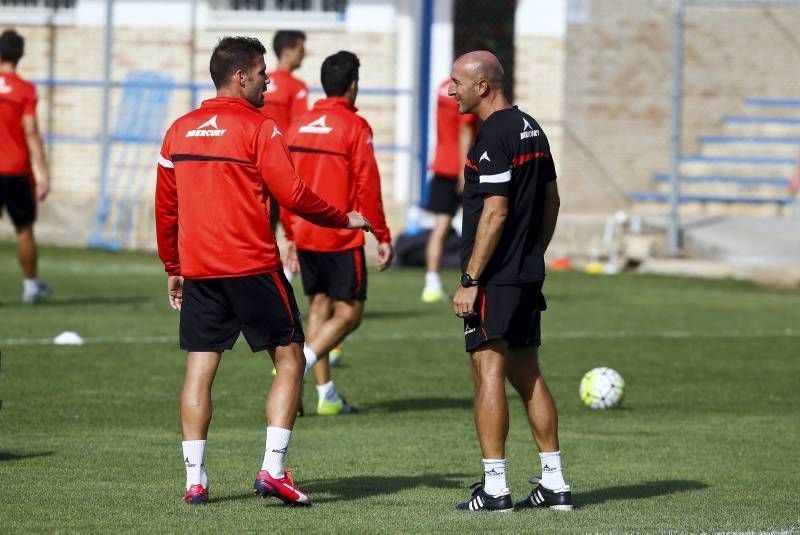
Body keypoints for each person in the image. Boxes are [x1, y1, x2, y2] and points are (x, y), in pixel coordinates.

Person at [155, 36, 372, 506]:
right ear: (240, 76)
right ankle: (273, 470)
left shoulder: (178, 130)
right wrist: (343, 216)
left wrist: (173, 266)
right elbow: (293, 194)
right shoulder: (261, 128)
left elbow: (165, 208)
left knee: (200, 367)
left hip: (200, 270)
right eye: (261, 73)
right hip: (252, 266)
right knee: (291, 360)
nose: (267, 81)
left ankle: (195, 480)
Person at [449, 51, 570, 512]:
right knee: (528, 373)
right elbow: (551, 201)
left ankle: (496, 488)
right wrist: (532, 253)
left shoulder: (492, 135)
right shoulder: (531, 127)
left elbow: (495, 211)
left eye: (457, 82)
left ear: (483, 86)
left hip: (494, 279)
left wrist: (470, 279)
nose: (451, 90)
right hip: (524, 274)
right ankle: (555, 483)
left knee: (488, 374)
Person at [283, 50, 394, 416]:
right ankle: (298, 367)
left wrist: (292, 234)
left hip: (307, 233)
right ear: (353, 87)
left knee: (318, 305)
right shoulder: (354, 128)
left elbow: (284, 184)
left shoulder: (298, 124)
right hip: (340, 234)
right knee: (350, 313)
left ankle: (326, 395)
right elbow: (367, 185)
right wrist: (383, 235)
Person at [0, 29, 52, 304]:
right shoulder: (25, 90)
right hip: (14, 171)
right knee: (24, 230)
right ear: (20, 56)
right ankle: (31, 287)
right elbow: (30, 131)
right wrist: (43, 173)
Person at [420, 78, 476, 303]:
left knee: (440, 227)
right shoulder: (466, 89)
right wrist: (464, 169)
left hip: (442, 164)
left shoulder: (442, 88)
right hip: (463, 168)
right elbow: (465, 129)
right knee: (480, 225)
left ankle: (431, 283)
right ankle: (476, 281)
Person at [261, 30, 308, 234]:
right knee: (290, 218)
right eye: (301, 48)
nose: (304, 53)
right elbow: (299, 127)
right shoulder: (297, 86)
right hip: (283, 163)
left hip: (256, 161)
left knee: (262, 221)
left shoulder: (260, 81)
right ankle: (289, 260)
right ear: (287, 51)